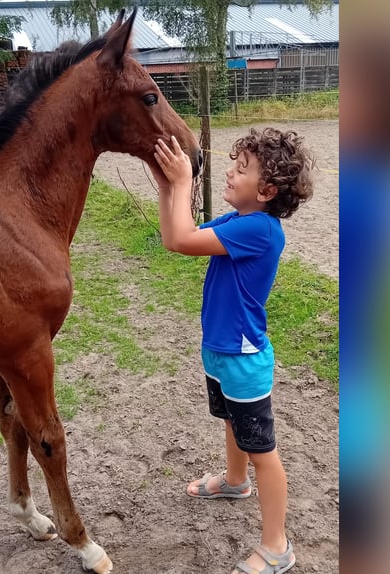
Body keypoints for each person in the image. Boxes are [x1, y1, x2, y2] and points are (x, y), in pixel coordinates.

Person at [152, 127, 314, 574]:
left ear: (265, 190)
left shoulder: (259, 230)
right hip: (221, 351)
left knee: (263, 450)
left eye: (240, 168)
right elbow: (174, 238)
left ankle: (277, 546)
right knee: (231, 421)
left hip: (243, 359)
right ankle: (235, 481)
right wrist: (169, 184)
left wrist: (184, 183)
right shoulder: (236, 223)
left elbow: (184, 239)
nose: (228, 172)